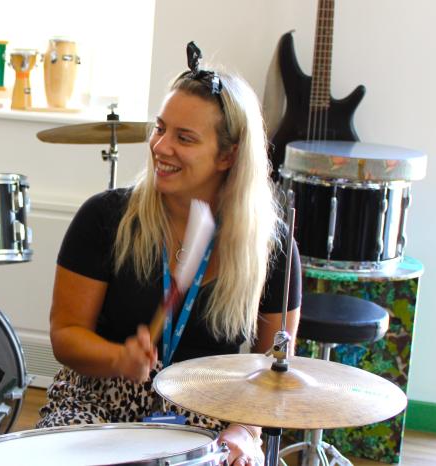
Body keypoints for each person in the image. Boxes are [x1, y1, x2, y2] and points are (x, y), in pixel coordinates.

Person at [37, 42, 301, 466]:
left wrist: (245, 430)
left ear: (228, 155)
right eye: (160, 128)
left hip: (206, 413)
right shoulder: (104, 218)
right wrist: (118, 358)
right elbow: (65, 335)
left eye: (184, 138)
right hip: (98, 402)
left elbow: (274, 370)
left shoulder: (272, 247)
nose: (160, 146)